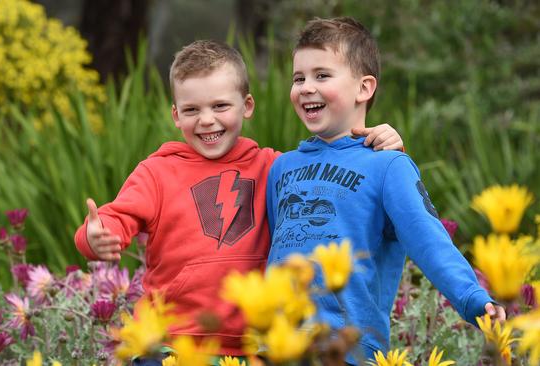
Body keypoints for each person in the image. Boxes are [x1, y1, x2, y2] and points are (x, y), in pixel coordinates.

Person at [74, 40, 403, 362]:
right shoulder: (157, 172)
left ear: (247, 105)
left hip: (254, 346)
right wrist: (96, 235)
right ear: (176, 115)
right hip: (170, 343)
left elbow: (331, 167)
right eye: (192, 110)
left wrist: (378, 140)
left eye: (220, 106)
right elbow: (114, 217)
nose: (206, 120)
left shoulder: (274, 168)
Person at [265, 17, 506, 365]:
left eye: (322, 75)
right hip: (276, 346)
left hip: (345, 348)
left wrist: (472, 298)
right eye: (298, 78)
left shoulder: (388, 165)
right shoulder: (281, 169)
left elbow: (428, 238)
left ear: (364, 88)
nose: (305, 87)